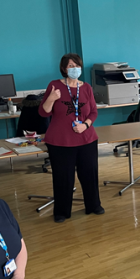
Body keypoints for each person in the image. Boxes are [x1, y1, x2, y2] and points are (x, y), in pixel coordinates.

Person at [39, 53, 103, 223]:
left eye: (76, 65)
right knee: (63, 177)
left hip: (86, 138)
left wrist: (86, 124)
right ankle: (61, 211)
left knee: (90, 174)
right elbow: (43, 112)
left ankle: (94, 205)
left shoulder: (87, 87)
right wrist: (51, 99)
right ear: (63, 69)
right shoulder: (54, 86)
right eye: (70, 66)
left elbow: (93, 112)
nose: (74, 69)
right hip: (60, 141)